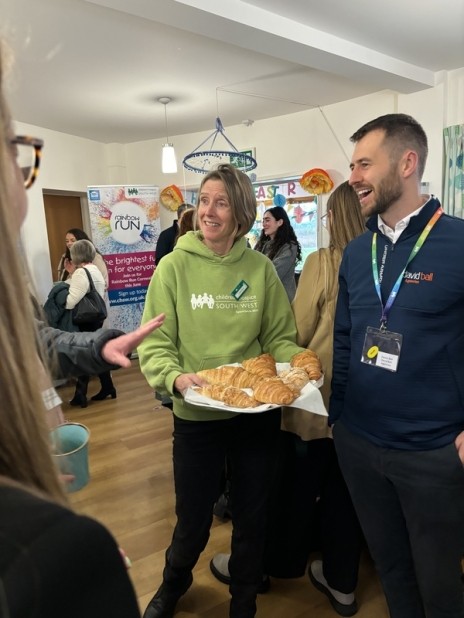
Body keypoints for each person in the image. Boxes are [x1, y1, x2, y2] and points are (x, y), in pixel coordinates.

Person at [0, 39, 164, 618]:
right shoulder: (50, 557)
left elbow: (38, 344)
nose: (22, 187)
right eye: (14, 151)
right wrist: (74, 553)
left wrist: (99, 346)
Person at [138, 163, 306, 618]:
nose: (208, 211)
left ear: (240, 213)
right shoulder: (173, 267)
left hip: (255, 416)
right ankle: (173, 585)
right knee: (192, 521)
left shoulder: (261, 269)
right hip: (196, 416)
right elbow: (155, 341)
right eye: (205, 200)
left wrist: (301, 367)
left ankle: (244, 603)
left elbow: (279, 338)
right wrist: (172, 377)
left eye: (221, 202)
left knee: (253, 518)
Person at [330, 113, 464, 618]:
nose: (354, 177)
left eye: (365, 163)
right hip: (360, 445)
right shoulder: (358, 251)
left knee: (440, 588)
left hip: (432, 454)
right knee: (392, 572)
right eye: (352, 164)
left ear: (407, 163)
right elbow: (345, 339)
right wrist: (338, 418)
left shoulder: (457, 243)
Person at [210, 182, 366, 617]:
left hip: (314, 403)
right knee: (343, 495)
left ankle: (263, 570)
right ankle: (343, 585)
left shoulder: (323, 261)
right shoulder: (379, 262)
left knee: (287, 491)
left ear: (337, 216)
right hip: (359, 410)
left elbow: (294, 334)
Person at [63, 239, 115, 407]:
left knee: (84, 355)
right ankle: (107, 387)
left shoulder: (81, 273)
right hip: (96, 318)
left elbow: (71, 301)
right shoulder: (94, 270)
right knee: (95, 353)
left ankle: (81, 394)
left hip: (84, 320)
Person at [254, 206, 302, 301]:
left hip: (282, 301)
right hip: (264, 299)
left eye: (267, 220)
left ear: (280, 222)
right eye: (263, 221)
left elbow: (273, 272)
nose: (264, 224)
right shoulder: (261, 245)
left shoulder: (290, 247)